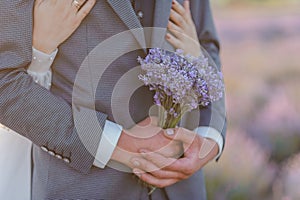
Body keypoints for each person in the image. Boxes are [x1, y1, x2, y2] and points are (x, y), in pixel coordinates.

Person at [0, 0, 226, 199]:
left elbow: (204, 44)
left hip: (181, 187)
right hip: (81, 186)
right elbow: (4, 81)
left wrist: (209, 135)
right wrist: (114, 143)